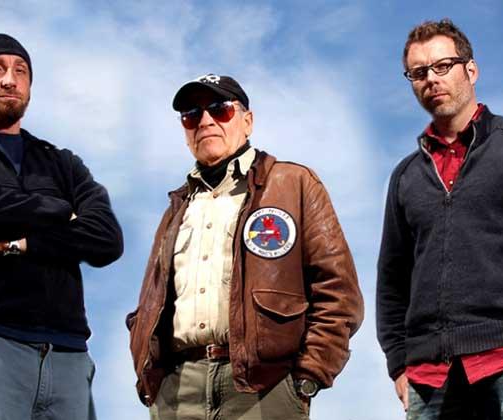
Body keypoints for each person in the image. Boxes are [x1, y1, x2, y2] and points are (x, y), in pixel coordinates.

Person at [127, 73, 363, 419]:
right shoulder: (176, 207)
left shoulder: (293, 183)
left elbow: (338, 291)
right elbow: (152, 300)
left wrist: (309, 375)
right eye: (191, 115)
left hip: (264, 387)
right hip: (176, 390)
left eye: (219, 109)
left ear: (247, 121)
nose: (205, 121)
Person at [0, 33, 123, 420]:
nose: (10, 80)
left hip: (69, 357)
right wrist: (61, 211)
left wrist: (23, 242)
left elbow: (105, 240)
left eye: (21, 71)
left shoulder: (62, 163)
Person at [377, 19, 503, 418]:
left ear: (471, 70)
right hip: (428, 377)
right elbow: (392, 276)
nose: (431, 79)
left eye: (442, 66)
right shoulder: (405, 175)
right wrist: (398, 363)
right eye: (419, 72)